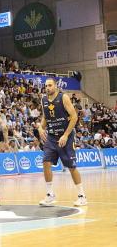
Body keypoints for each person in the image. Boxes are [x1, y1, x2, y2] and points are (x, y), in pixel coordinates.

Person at [37, 78, 87, 206]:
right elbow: (45, 118)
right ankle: (50, 195)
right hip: (52, 137)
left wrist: (65, 135)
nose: (47, 87)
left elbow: (74, 117)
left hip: (66, 136)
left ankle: (82, 196)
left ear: (55, 86)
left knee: (71, 166)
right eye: (46, 86)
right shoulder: (43, 100)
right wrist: (40, 127)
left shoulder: (63, 97)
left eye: (50, 85)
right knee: (46, 162)